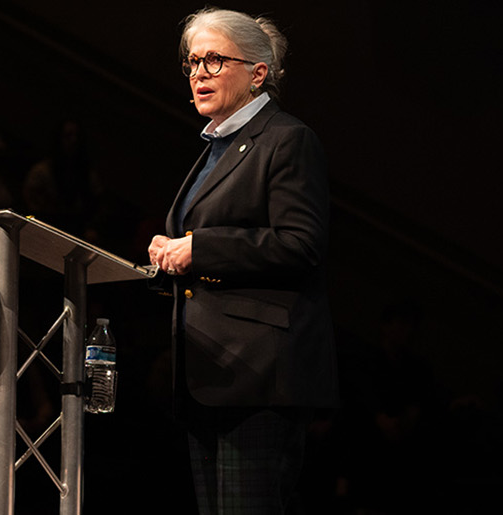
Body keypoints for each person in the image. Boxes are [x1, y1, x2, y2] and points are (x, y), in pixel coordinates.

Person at [145, 7, 336, 514]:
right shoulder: (216, 148)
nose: (199, 74)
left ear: (258, 73)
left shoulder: (287, 139)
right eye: (192, 62)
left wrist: (200, 247)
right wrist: (171, 254)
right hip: (209, 374)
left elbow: (300, 244)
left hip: (257, 377)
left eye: (213, 60)